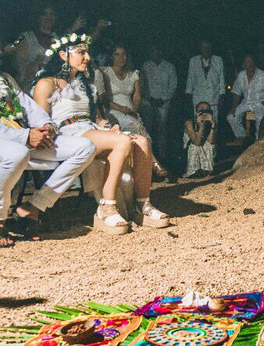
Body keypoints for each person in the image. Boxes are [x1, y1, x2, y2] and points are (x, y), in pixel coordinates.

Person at [0, 20, 97, 248]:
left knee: (85, 147)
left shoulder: (5, 79)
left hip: (16, 143)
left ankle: (33, 207)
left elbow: (31, 109)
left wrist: (46, 127)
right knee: (16, 152)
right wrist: (24, 136)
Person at [31, 33, 170, 234]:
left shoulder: (86, 86)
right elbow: (40, 121)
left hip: (90, 128)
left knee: (142, 141)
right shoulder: (47, 84)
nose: (87, 57)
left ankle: (143, 205)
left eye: (87, 52)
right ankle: (106, 207)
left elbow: (95, 118)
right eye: (81, 52)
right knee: (122, 142)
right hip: (67, 134)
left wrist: (107, 125)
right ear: (63, 55)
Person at [8, 5, 105, 87]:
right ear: (38, 17)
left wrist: (98, 29)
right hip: (29, 83)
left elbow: (83, 45)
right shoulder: (26, 36)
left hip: (55, 84)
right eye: (44, 14)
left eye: (52, 14)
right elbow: (13, 50)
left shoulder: (59, 39)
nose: (48, 17)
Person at [227, 54, 264, 144]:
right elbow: (236, 92)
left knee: (260, 118)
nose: (250, 65)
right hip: (246, 103)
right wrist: (233, 108)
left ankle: (258, 141)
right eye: (247, 62)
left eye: (251, 62)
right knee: (231, 117)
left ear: (255, 63)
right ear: (243, 64)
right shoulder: (241, 75)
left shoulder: (263, 75)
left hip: (260, 104)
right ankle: (242, 137)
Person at [141, 46, 178, 161]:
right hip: (148, 103)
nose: (155, 53)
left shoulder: (169, 67)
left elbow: (173, 86)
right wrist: (150, 98)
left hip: (164, 104)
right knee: (147, 130)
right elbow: (142, 84)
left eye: (158, 50)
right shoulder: (145, 66)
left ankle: (162, 157)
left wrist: (163, 99)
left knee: (162, 130)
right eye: (153, 50)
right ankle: (149, 156)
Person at [185, 40, 225, 111]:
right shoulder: (193, 61)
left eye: (208, 47)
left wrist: (222, 96)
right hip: (198, 100)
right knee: (199, 121)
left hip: (213, 100)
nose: (206, 49)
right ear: (200, 48)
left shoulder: (218, 60)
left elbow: (222, 79)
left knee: (213, 121)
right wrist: (188, 94)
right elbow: (190, 79)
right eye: (203, 47)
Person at [183, 102, 217, 177]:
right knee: (196, 147)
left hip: (203, 147)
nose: (204, 111)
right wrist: (201, 127)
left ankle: (206, 169)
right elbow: (196, 142)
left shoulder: (210, 122)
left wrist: (213, 125)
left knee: (208, 145)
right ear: (196, 112)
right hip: (190, 148)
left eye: (207, 109)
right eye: (201, 108)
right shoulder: (189, 122)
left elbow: (211, 141)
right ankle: (193, 171)